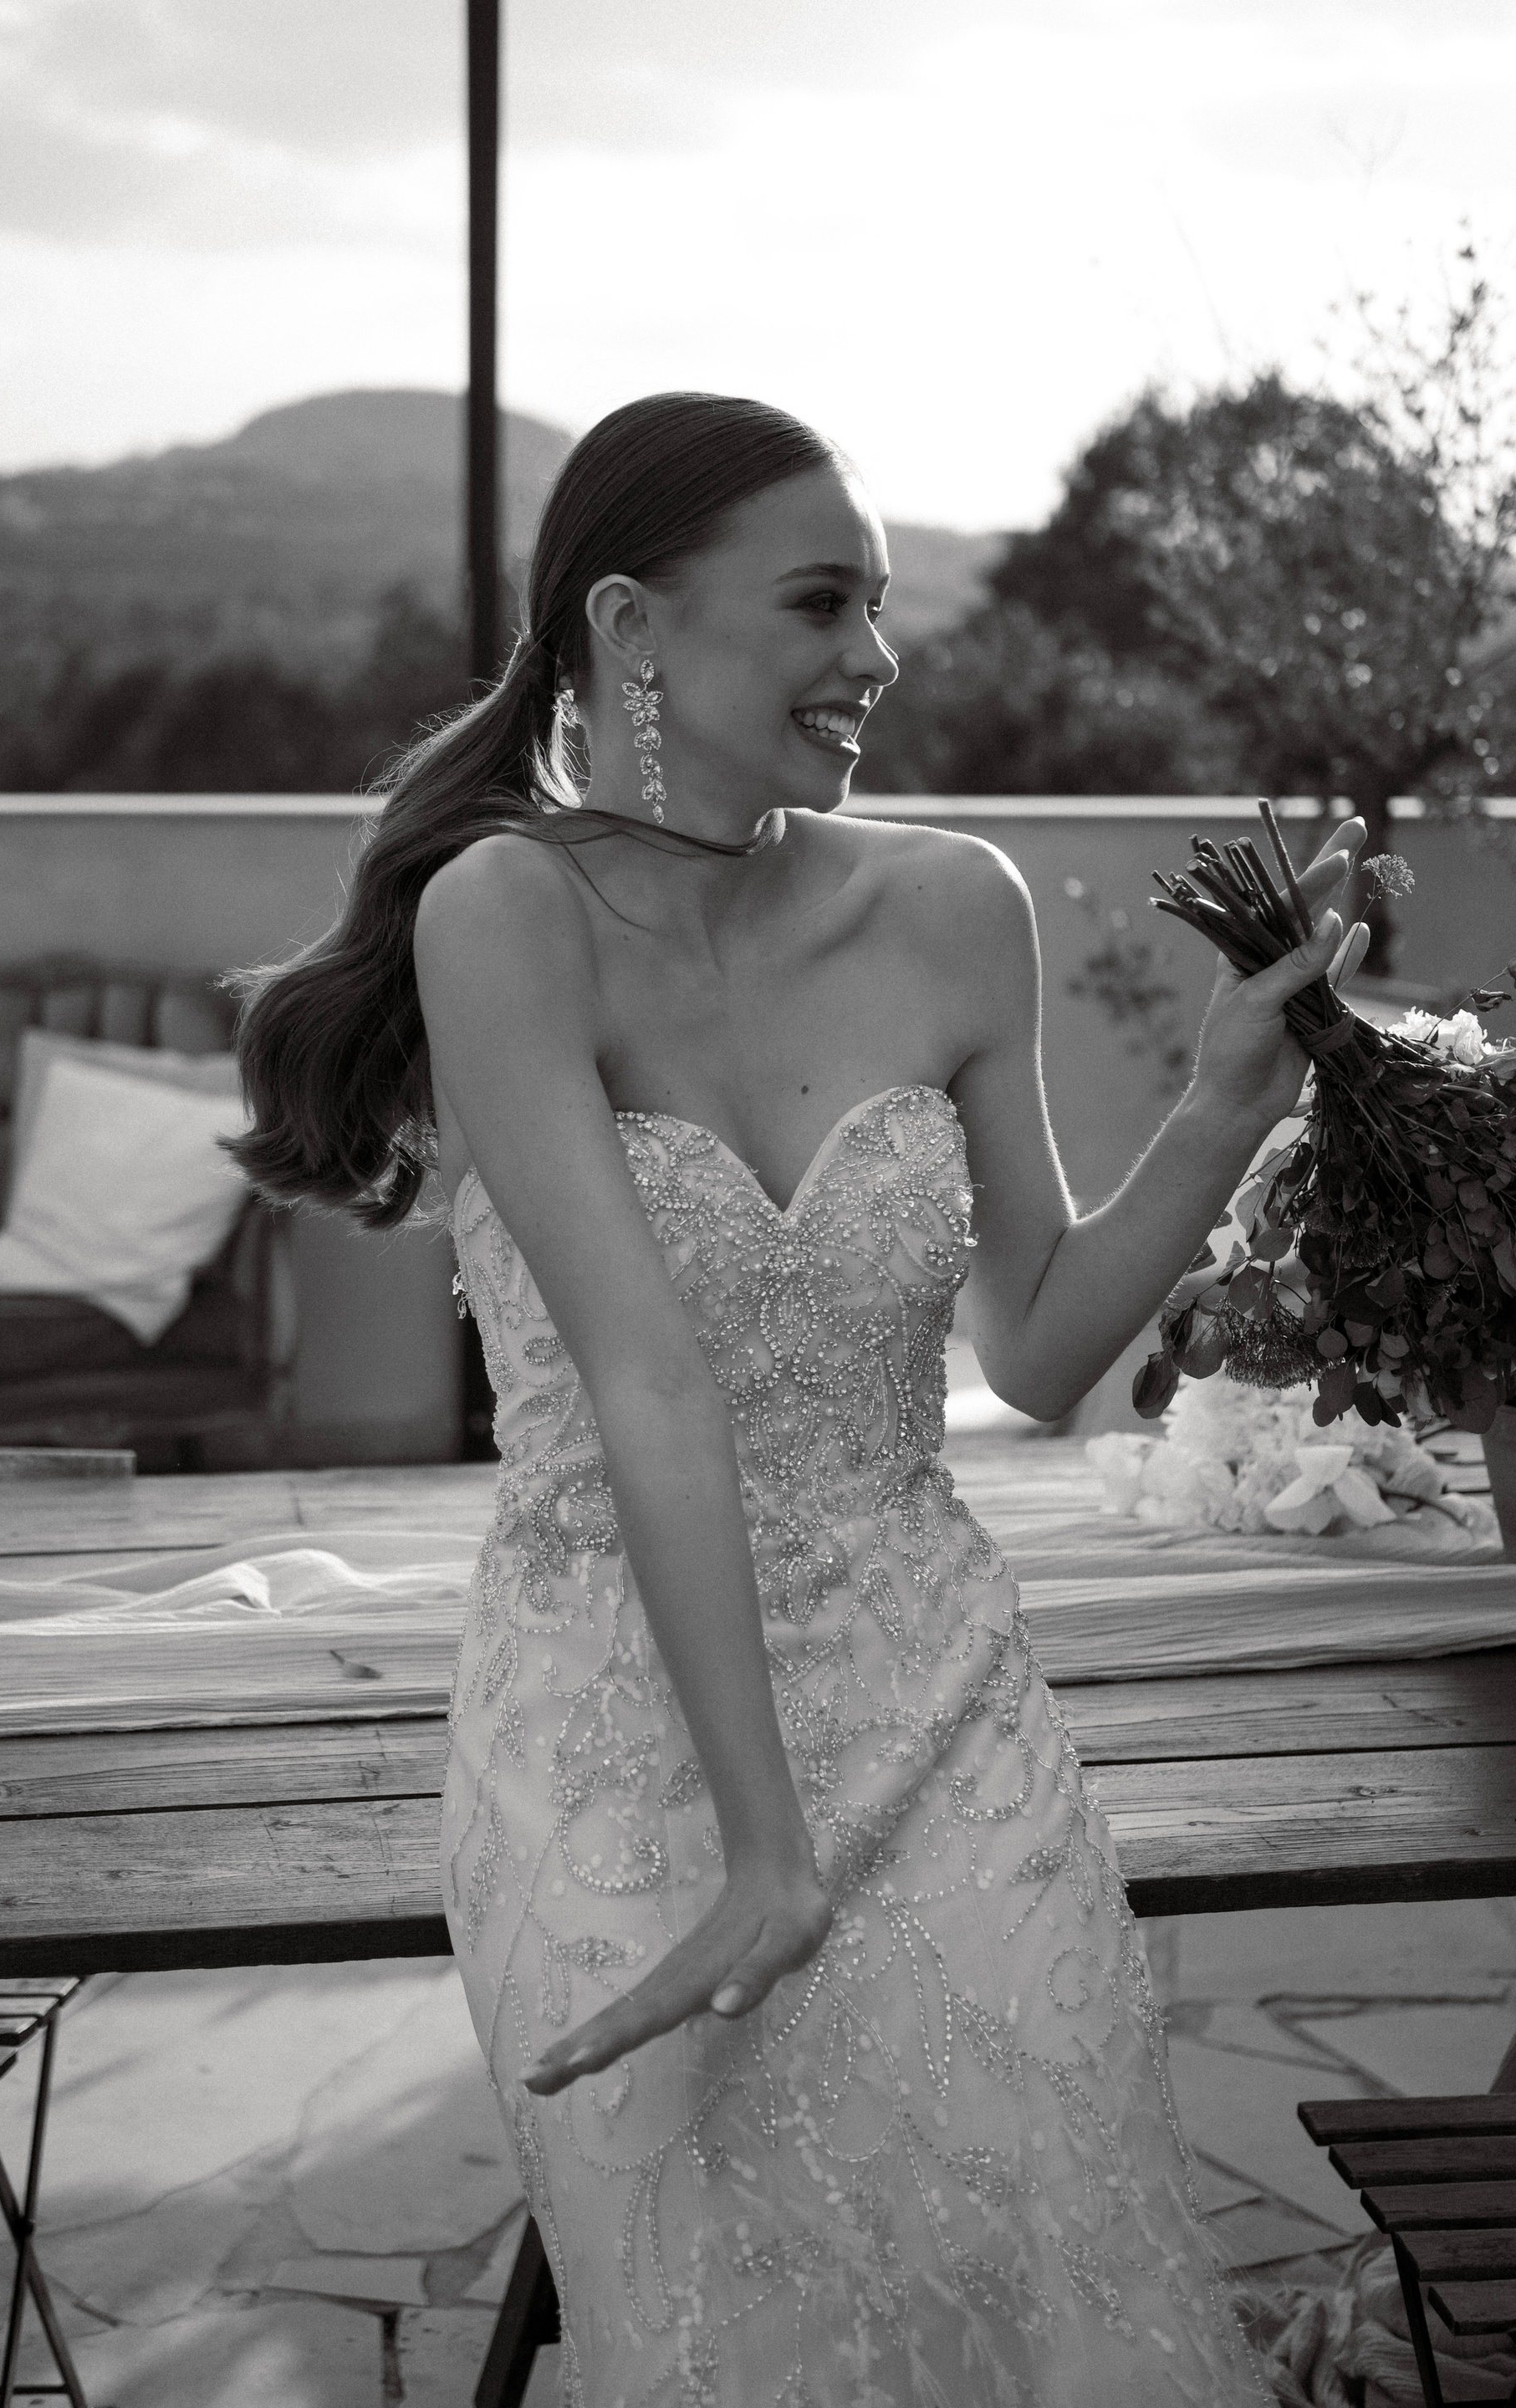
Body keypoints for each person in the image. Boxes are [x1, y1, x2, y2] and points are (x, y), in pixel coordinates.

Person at [230, 392, 1370, 2406]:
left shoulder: (956, 906)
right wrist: (764, 1852)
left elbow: (1035, 1347)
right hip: (617, 1738)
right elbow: (649, 1383)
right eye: (823, 604)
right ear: (632, 627)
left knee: (1060, 2284)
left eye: (882, 604)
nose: (879, 658)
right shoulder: (504, 916)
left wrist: (1215, 1112)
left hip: (944, 1711)